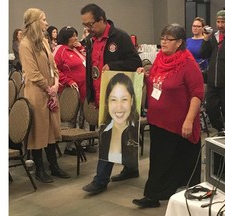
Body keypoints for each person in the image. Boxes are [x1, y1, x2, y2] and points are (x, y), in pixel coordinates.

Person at [132, 23, 204, 208]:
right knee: (158, 161)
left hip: (178, 124)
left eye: (168, 39)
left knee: (177, 162)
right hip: (158, 121)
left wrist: (189, 120)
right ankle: (153, 196)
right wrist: (144, 76)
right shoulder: (160, 59)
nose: (163, 42)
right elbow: (157, 82)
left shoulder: (188, 64)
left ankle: (180, 200)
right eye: (162, 38)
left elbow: (197, 94)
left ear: (179, 42)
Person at [80, 3, 142, 194]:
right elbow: (91, 69)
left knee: (107, 137)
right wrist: (91, 94)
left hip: (117, 95)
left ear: (101, 20)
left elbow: (135, 63)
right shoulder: (91, 40)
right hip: (99, 96)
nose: (87, 29)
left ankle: (100, 180)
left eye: (90, 24)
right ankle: (131, 169)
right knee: (120, 135)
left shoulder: (120, 37)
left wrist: (113, 65)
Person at [19, 8, 70, 183]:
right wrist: (49, 89)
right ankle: (40, 169)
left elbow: (53, 66)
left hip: (50, 92)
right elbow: (32, 73)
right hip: (37, 93)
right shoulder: (25, 44)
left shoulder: (44, 41)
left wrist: (55, 84)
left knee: (52, 129)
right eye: (44, 19)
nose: (47, 23)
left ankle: (54, 166)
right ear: (34, 22)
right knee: (39, 131)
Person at [52, 26, 89, 155]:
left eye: (76, 34)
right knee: (72, 117)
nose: (76, 37)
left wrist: (79, 48)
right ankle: (70, 146)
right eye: (73, 35)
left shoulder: (76, 49)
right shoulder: (60, 50)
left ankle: (82, 142)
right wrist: (68, 80)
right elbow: (54, 69)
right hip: (70, 90)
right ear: (66, 37)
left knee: (82, 117)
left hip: (83, 88)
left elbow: (87, 59)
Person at [99, 73, 139, 169]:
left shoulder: (134, 132)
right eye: (113, 100)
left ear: (132, 100)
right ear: (107, 101)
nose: (119, 106)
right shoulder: (103, 133)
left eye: (124, 99)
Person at [186, 17, 209, 83]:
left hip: (201, 71)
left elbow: (207, 56)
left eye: (198, 26)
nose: (195, 28)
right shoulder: (188, 41)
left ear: (203, 28)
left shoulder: (206, 41)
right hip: (189, 71)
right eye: (194, 26)